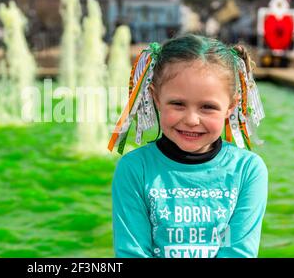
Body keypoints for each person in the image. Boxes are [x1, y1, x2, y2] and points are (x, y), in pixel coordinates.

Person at [109, 34, 268, 258]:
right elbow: (132, 253)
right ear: (156, 98)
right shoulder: (134, 169)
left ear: (231, 106)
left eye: (207, 107)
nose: (192, 119)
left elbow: (238, 253)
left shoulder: (248, 171)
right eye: (178, 104)